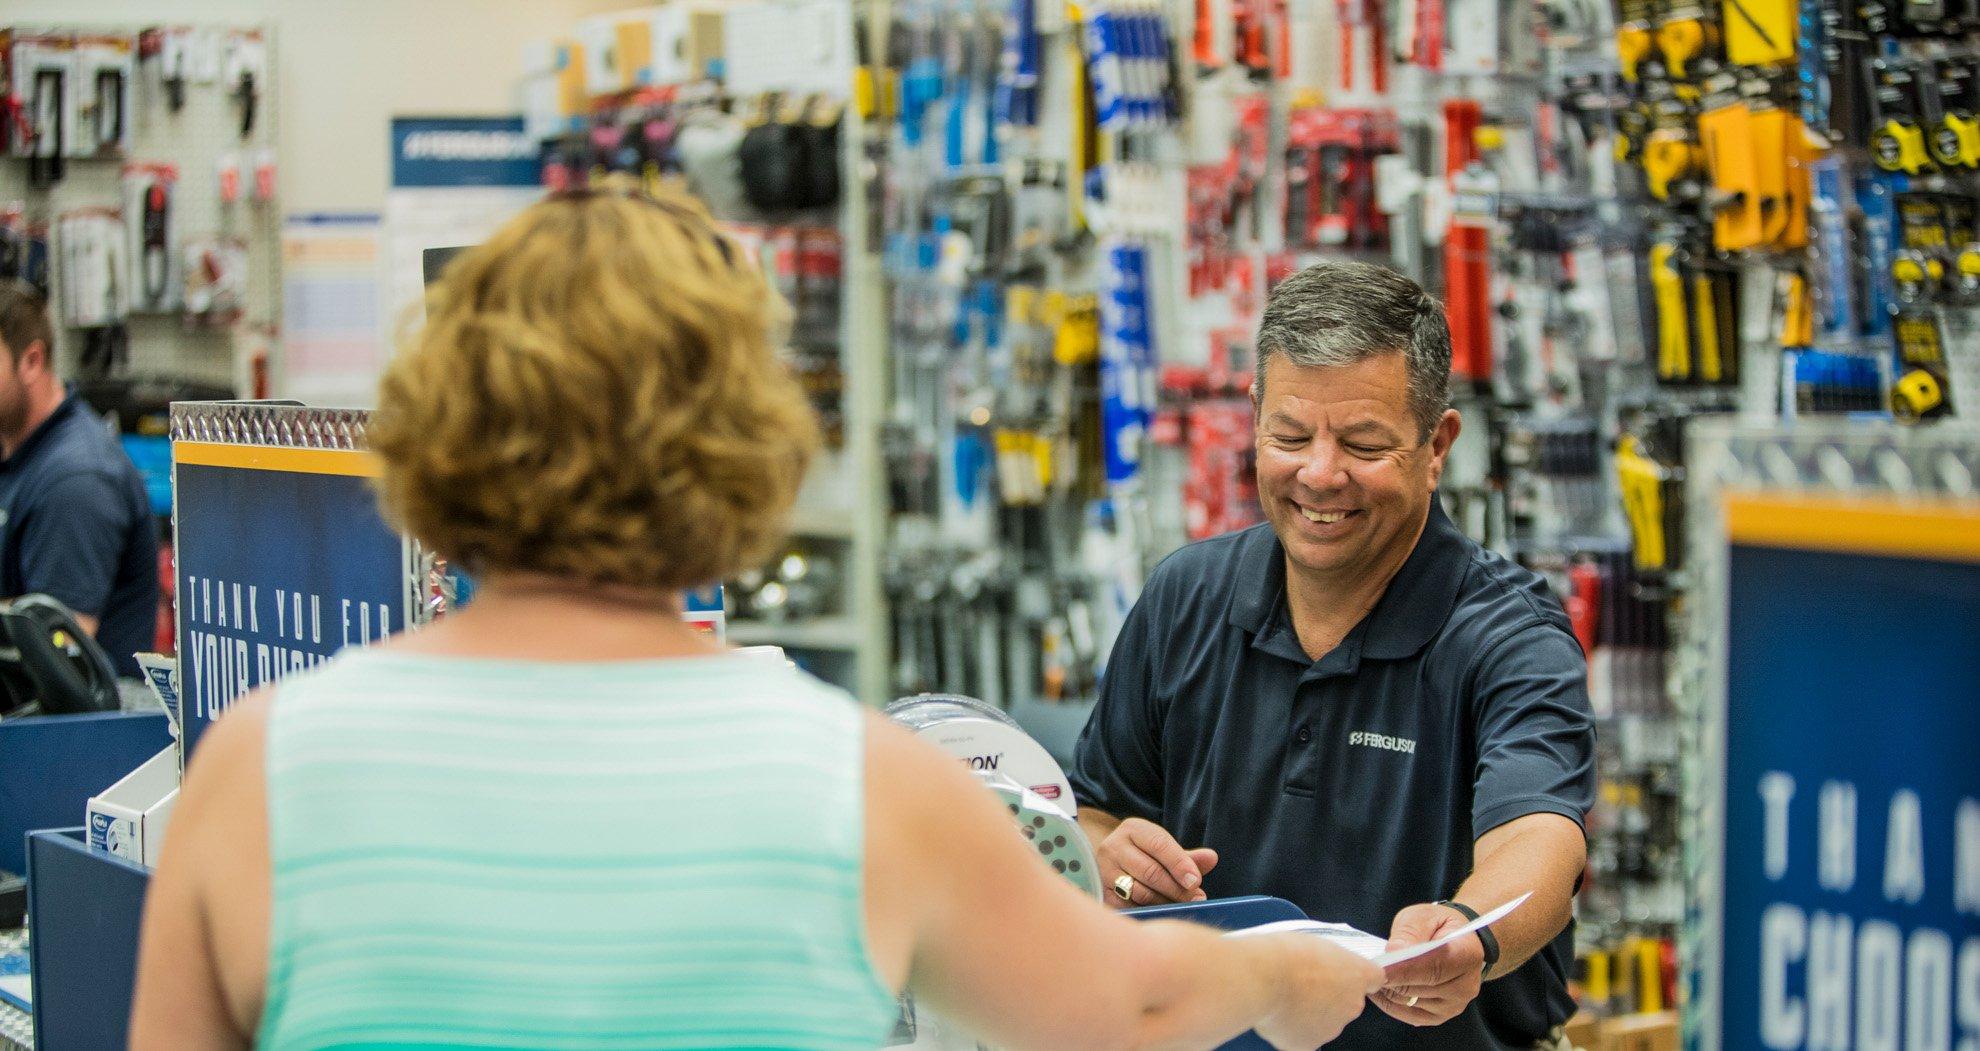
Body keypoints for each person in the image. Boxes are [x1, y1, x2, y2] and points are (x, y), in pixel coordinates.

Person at [129, 185, 1384, 1051]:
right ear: (740, 439)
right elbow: (1131, 1006)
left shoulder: (256, 765)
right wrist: (1287, 970)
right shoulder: (860, 781)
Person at [1071, 261, 1596, 1049]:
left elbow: (1540, 840)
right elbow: (1092, 811)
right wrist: (1111, 863)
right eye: (1290, 435)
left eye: (1362, 442)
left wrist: (1467, 932)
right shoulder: (1186, 597)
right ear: (1252, 418)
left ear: (1437, 444)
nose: (1319, 474)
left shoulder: (1508, 637)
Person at [0, 280, 159, 678]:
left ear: (31, 361)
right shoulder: (16, 448)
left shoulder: (76, 481)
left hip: (73, 733)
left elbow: (55, 653)